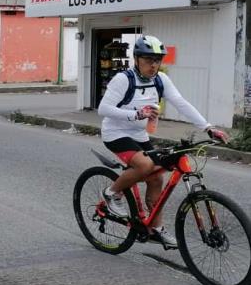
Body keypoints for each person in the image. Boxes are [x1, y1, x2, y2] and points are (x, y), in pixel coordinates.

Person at [97, 35, 230, 248]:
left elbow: (180, 103)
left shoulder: (161, 79)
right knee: (145, 165)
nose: (153, 65)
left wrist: (207, 127)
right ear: (137, 59)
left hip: (140, 136)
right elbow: (103, 109)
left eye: (157, 60)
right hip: (116, 133)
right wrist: (136, 115)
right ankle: (112, 193)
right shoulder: (124, 79)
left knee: (156, 176)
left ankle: (156, 228)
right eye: (148, 59)